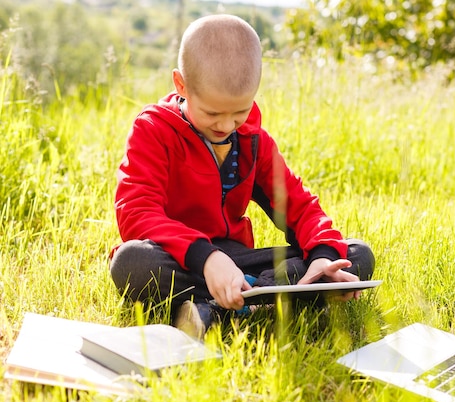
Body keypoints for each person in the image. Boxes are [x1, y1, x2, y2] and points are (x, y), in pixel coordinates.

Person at [109, 14, 375, 339]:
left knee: (354, 256)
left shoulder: (253, 141)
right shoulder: (152, 130)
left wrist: (323, 257)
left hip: (239, 262)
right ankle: (275, 299)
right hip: (178, 256)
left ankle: (225, 304)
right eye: (212, 113)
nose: (226, 126)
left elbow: (301, 208)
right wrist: (207, 259)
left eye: (240, 112)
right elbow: (137, 214)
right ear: (181, 85)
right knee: (131, 262)